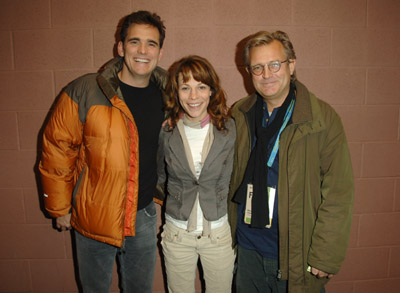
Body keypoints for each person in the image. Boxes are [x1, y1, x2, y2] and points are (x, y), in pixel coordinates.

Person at [39, 10, 167, 292]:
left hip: (142, 215)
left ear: (160, 50)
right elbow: (58, 149)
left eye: (151, 43)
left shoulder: (169, 95)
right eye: (135, 42)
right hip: (92, 215)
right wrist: (59, 207)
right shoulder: (85, 89)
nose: (143, 51)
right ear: (120, 47)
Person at [228, 30, 354, 292]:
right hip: (247, 248)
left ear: (292, 64)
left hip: (296, 252)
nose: (266, 74)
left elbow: (338, 192)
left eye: (275, 64)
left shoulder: (322, 119)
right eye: (257, 68)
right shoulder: (240, 114)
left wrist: (326, 254)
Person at [156, 55, 236, 292]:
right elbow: (160, 175)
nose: (193, 96)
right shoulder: (166, 130)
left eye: (201, 87)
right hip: (177, 235)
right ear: (176, 91)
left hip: (218, 234)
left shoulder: (229, 129)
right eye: (185, 87)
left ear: (212, 90)